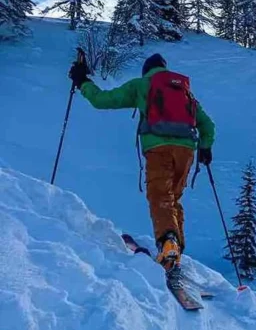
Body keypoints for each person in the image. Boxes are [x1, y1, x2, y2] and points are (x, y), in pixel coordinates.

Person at [69, 51, 215, 273]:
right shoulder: (184, 92)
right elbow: (207, 124)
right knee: (173, 199)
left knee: (160, 197)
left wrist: (83, 82)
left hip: (158, 148)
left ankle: (168, 247)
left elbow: (102, 100)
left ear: (146, 71)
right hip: (186, 151)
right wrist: (205, 147)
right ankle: (174, 250)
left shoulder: (142, 85)